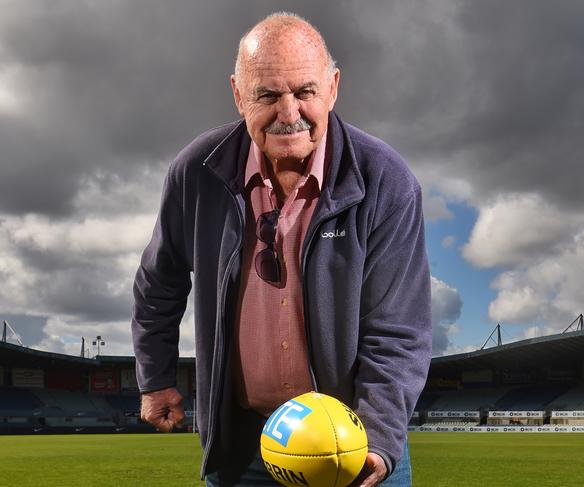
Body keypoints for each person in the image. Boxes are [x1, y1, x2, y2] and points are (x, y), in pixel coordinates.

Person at [132, 12, 432, 487]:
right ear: (237, 94)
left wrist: (375, 438)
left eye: (305, 92)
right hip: (244, 445)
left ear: (333, 87)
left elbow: (398, 331)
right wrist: (155, 377)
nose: (289, 112)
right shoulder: (196, 173)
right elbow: (159, 283)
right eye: (267, 94)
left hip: (350, 441)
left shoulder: (386, 181)